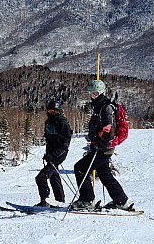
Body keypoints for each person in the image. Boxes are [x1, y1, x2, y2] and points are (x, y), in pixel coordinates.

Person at [71, 80, 130, 211]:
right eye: (91, 94)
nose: (93, 96)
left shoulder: (105, 108)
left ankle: (87, 201)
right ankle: (121, 201)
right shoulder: (101, 106)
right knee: (104, 173)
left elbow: (108, 128)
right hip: (104, 147)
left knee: (80, 168)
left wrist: (101, 143)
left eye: (96, 93)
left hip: (103, 148)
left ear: (102, 92)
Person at [34, 100, 72, 207]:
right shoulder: (48, 122)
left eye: (55, 112)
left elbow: (65, 144)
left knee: (41, 177)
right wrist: (48, 154)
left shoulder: (62, 123)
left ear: (59, 112)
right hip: (51, 154)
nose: (52, 114)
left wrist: (54, 155)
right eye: (50, 111)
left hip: (59, 154)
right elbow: (49, 140)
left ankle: (44, 201)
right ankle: (59, 201)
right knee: (54, 176)